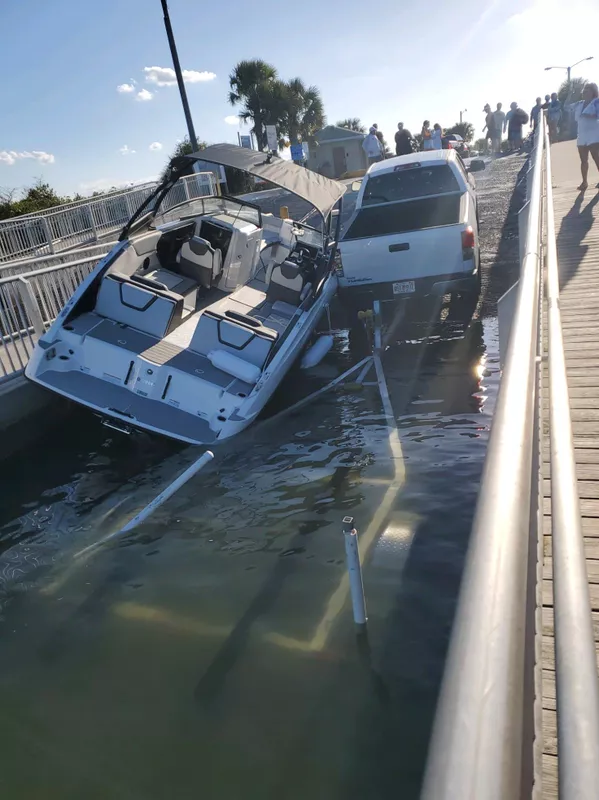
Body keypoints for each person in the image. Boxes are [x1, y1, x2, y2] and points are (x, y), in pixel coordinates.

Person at [570, 82, 599, 191]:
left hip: (594, 133)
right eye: (584, 89)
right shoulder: (579, 104)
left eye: (588, 89)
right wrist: (570, 94)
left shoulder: (596, 102)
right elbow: (566, 107)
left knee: (596, 157)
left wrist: (592, 114)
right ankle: (584, 182)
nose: (585, 91)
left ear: (593, 92)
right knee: (583, 160)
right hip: (581, 134)